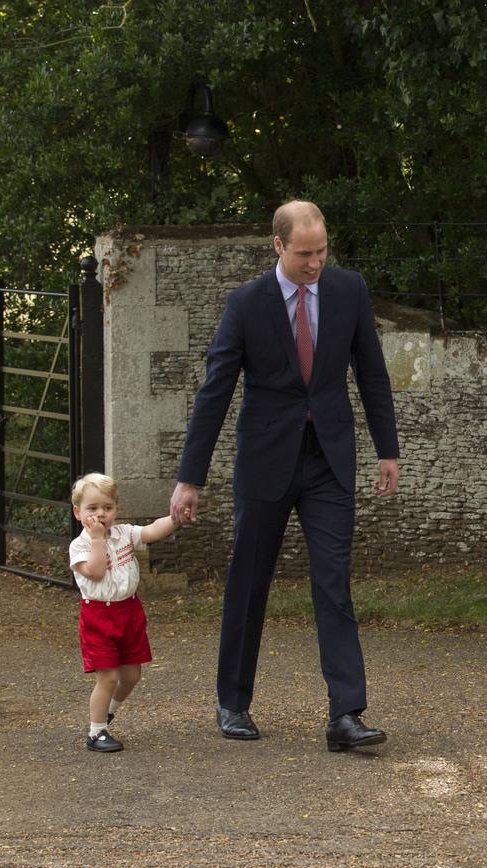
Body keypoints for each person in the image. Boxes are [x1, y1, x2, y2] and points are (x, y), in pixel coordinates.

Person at [170, 200, 400, 752]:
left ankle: (346, 714)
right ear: (278, 246)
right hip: (265, 462)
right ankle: (233, 702)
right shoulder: (246, 304)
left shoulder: (349, 290)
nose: (315, 263)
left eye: (321, 251)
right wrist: (189, 478)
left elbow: (371, 371)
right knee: (248, 582)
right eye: (304, 253)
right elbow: (215, 391)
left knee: (333, 583)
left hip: (329, 461)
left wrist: (386, 450)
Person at [69, 472, 179, 752]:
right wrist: (96, 539)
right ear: (77, 512)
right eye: (92, 508)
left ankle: (107, 713)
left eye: (107, 507)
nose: (101, 514)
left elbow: (152, 530)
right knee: (107, 677)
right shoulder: (80, 545)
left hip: (129, 612)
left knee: (131, 675)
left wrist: (176, 518)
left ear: (116, 509)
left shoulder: (125, 534)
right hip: (98, 617)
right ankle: (96, 733)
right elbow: (94, 572)